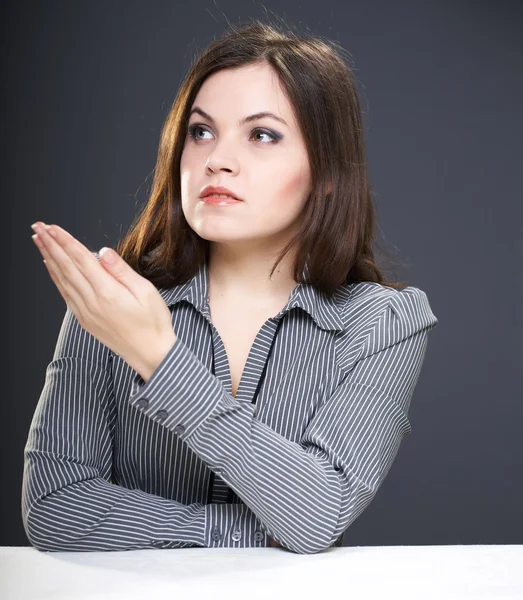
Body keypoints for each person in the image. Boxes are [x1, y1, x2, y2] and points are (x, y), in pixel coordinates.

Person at [22, 20, 438, 555]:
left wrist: (158, 355)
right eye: (201, 131)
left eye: (262, 135)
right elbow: (54, 507)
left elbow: (316, 515)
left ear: (327, 173)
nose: (216, 159)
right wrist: (246, 533)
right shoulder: (110, 300)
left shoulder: (384, 323)